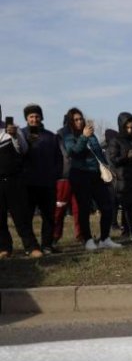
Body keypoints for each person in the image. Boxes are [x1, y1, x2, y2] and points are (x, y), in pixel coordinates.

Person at [61, 107, 120, 250]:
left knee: (107, 205)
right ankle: (87, 240)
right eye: (76, 119)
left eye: (81, 118)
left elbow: (98, 153)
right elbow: (73, 152)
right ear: (70, 122)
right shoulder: (68, 135)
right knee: (84, 208)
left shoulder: (92, 135)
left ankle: (105, 238)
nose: (79, 121)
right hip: (80, 174)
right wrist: (83, 137)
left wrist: (106, 168)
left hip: (96, 174)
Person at [21, 104, 63, 254]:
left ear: (41, 117)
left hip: (47, 183)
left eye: (37, 116)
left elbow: (59, 158)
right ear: (26, 118)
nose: (34, 119)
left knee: (49, 216)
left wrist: (56, 174)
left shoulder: (51, 136)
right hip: (28, 183)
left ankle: (47, 245)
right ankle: (31, 246)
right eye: (31, 116)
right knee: (27, 217)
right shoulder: (20, 134)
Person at [0, 106, 41, 258]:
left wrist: (15, 135)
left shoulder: (11, 129)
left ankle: (31, 247)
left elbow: (23, 150)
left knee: (21, 217)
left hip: (14, 180)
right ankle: (4, 248)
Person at [53, 112, 81, 245]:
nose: (78, 122)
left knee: (79, 208)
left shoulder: (81, 135)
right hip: (64, 176)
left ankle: (81, 235)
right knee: (59, 209)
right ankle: (54, 236)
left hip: (80, 175)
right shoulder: (59, 136)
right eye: (74, 120)